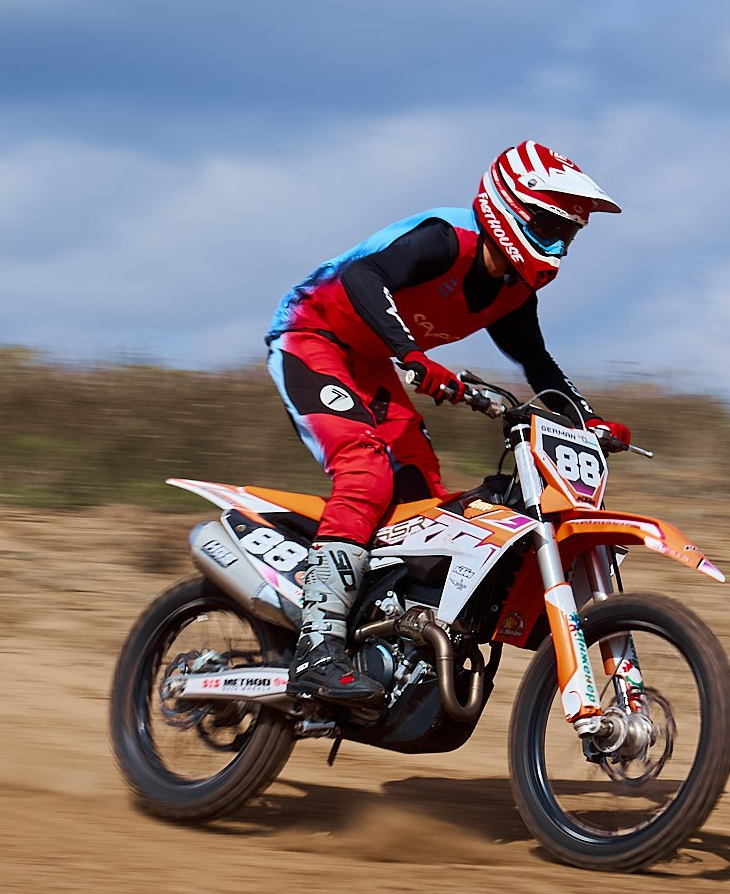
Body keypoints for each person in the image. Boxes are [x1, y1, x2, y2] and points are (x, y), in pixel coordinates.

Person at [267, 140, 629, 705]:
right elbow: (365, 279)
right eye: (548, 228)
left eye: (568, 237)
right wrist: (412, 355)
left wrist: (588, 417)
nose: (557, 248)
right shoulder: (445, 239)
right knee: (365, 474)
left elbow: (538, 365)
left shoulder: (513, 291)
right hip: (312, 338)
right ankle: (317, 648)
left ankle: (382, 635)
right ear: (509, 208)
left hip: (369, 362)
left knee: (422, 499)